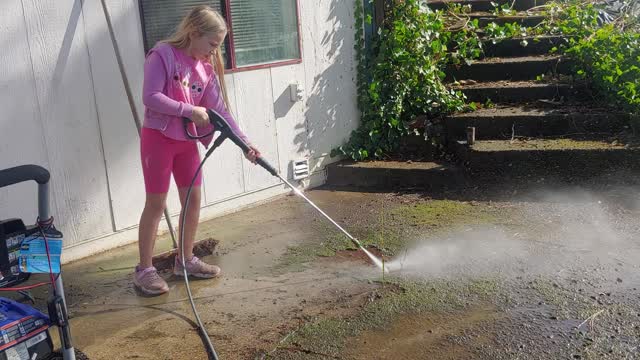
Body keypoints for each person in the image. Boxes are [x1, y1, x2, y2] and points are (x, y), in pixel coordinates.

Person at [134, 5, 260, 295]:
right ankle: (144, 270)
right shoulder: (162, 54)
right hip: (158, 140)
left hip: (186, 143)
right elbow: (150, 96)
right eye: (212, 44)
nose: (215, 52)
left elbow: (221, 112)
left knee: (193, 199)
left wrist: (246, 145)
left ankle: (185, 260)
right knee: (156, 204)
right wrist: (189, 110)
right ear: (193, 33)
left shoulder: (205, 69)